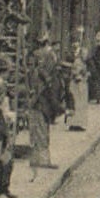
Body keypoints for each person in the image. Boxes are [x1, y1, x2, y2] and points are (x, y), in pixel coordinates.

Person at [28, 39, 61, 174]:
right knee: (41, 131)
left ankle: (37, 159)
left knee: (39, 131)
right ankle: (42, 160)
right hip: (41, 103)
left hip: (41, 103)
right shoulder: (42, 78)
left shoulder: (37, 74)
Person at [66, 34, 89, 132]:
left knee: (80, 105)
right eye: (84, 54)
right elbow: (75, 73)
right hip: (77, 86)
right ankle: (74, 124)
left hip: (81, 86)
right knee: (76, 105)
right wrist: (82, 76)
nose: (85, 56)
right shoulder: (78, 62)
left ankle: (78, 123)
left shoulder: (82, 62)